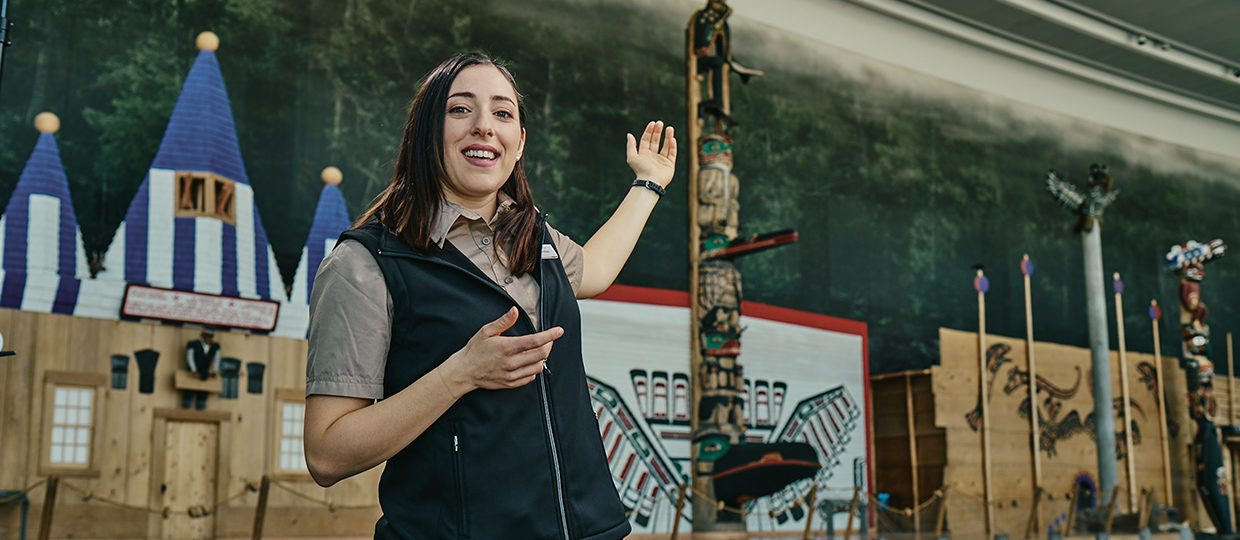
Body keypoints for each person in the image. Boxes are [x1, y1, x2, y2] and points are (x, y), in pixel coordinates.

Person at [304, 52, 676, 540]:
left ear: (519, 143)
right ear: (425, 132)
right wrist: (461, 374)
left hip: (591, 530)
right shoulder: (364, 265)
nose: (484, 126)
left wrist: (648, 182)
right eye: (460, 109)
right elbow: (327, 453)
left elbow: (597, 270)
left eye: (502, 113)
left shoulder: (536, 237)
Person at [183, 329, 220, 409]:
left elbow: (217, 359)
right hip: (193, 374)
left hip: (204, 372)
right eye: (207, 336)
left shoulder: (215, 346)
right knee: (189, 388)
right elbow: (190, 357)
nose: (209, 339)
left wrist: (214, 370)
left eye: (211, 336)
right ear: (202, 335)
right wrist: (193, 370)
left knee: (204, 389)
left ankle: (201, 402)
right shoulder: (193, 344)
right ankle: (187, 401)